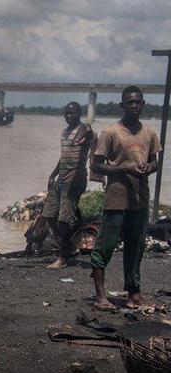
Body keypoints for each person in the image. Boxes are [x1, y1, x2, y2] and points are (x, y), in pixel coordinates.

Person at [89, 85, 161, 310]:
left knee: (136, 247)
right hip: (117, 198)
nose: (134, 106)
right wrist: (124, 168)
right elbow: (96, 164)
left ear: (143, 104)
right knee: (106, 246)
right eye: (129, 102)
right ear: (122, 105)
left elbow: (155, 161)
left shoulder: (149, 132)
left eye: (137, 102)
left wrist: (150, 167)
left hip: (140, 199)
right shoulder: (111, 132)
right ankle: (100, 296)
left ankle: (134, 294)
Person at [43, 102, 96, 269]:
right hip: (62, 178)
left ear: (79, 113)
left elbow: (88, 132)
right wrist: (53, 175)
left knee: (63, 220)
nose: (69, 116)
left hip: (75, 179)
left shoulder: (84, 129)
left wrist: (85, 135)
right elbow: (64, 156)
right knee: (49, 215)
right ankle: (68, 247)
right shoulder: (64, 132)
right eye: (66, 113)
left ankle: (62, 257)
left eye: (72, 113)